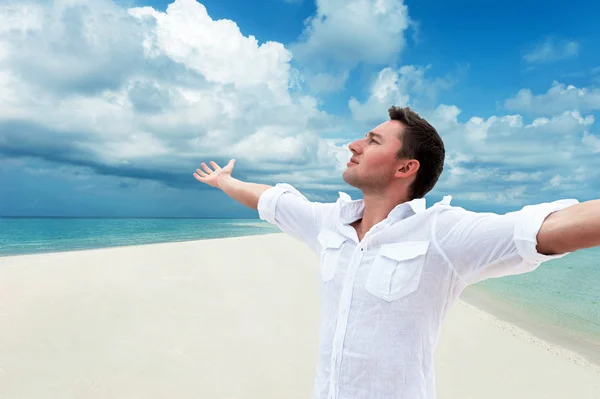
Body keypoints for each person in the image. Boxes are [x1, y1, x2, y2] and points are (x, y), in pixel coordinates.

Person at [192, 106, 599, 399]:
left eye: (372, 141)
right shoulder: (328, 221)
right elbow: (272, 200)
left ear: (406, 168)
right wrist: (226, 183)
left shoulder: (443, 233)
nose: (353, 145)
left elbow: (544, 229)